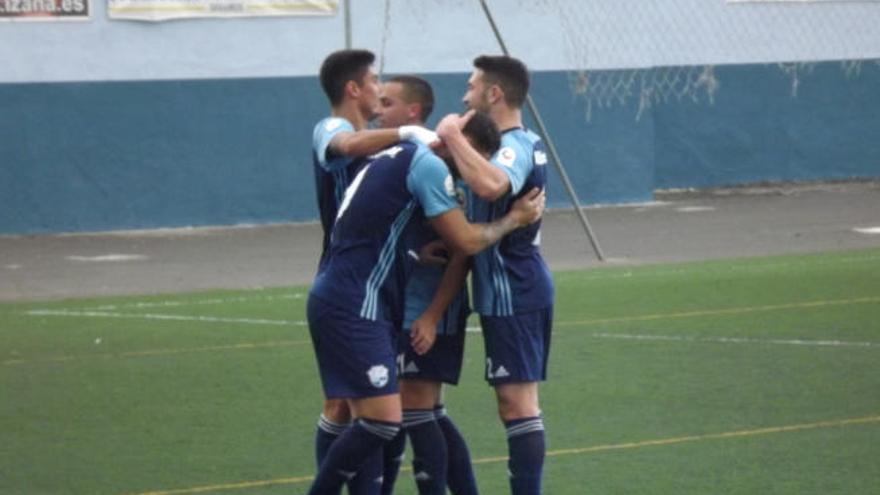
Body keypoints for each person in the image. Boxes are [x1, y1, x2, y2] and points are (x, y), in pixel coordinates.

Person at [306, 111, 545, 495]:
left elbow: (378, 224)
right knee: (381, 418)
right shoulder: (428, 165)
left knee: (383, 415)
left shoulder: (396, 152)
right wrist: (514, 219)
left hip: (352, 296)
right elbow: (465, 242)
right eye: (469, 158)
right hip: (356, 300)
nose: (469, 172)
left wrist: (414, 252)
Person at [311, 49, 438, 494]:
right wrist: (406, 132)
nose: (378, 93)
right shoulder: (335, 128)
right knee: (353, 408)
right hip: (348, 284)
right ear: (353, 89)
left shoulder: (382, 144)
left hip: (379, 285)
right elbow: (345, 147)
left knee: (362, 409)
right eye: (373, 84)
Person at [436, 55, 555, 495]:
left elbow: (490, 186)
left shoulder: (515, 146)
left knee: (517, 404)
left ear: (494, 94)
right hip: (500, 291)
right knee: (510, 405)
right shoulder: (500, 145)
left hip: (515, 291)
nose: (464, 97)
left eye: (471, 87)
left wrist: (450, 133)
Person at [376, 75, 479, 495]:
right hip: (404, 306)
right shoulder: (400, 157)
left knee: (416, 409)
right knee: (423, 410)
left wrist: (433, 315)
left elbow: (463, 248)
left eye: (387, 102)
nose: (378, 111)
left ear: (413, 112)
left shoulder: (434, 165)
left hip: (429, 308)